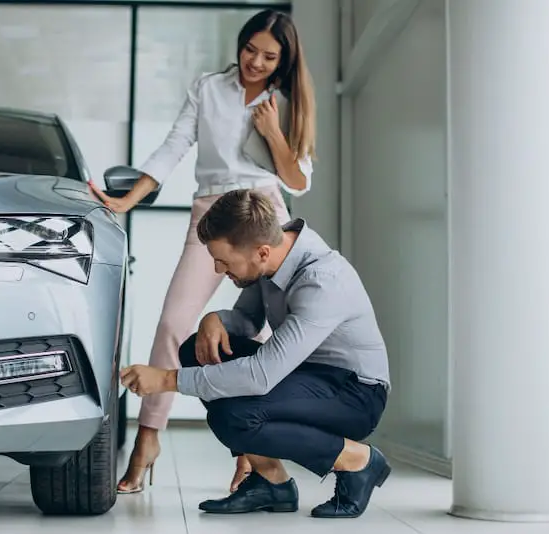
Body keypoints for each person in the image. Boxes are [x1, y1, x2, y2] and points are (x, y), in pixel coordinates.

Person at [89, 8, 318, 495]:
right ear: (239, 45)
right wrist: (129, 199)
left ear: (284, 61)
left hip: (264, 215)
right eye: (250, 49)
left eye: (269, 56)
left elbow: (299, 180)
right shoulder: (209, 87)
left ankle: (256, 456)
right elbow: (174, 145)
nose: (256, 61)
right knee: (174, 323)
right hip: (211, 216)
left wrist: (274, 132)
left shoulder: (289, 100)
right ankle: (147, 439)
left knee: (264, 336)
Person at [120, 189, 392, 519]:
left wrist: (165, 379)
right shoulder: (274, 255)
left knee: (233, 417)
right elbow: (248, 321)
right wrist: (215, 319)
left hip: (355, 393)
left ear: (261, 252)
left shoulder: (323, 281)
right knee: (199, 349)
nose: (219, 270)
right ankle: (271, 482)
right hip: (306, 374)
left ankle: (357, 460)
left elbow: (260, 375)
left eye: (224, 261)